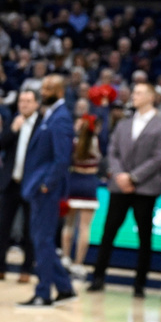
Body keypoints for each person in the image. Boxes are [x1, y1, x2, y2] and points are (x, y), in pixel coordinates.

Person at [88, 83, 161, 297]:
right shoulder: (124, 124)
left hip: (145, 188)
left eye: (139, 92)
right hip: (119, 186)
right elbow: (113, 151)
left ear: (151, 97)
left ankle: (140, 284)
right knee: (108, 233)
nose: (133, 95)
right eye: (134, 92)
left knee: (144, 238)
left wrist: (133, 177)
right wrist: (120, 175)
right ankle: (98, 277)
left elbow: (159, 157)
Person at [18, 74, 76, 306]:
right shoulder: (50, 115)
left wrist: (46, 185)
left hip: (47, 190)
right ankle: (64, 288)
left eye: (49, 88)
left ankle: (43, 293)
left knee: (43, 241)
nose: (44, 91)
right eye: (43, 87)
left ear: (60, 91)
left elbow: (62, 159)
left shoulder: (61, 118)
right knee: (41, 240)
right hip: (40, 188)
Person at [0, 89, 38, 283]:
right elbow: (0, 145)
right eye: (22, 100)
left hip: (31, 184)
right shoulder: (15, 121)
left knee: (30, 229)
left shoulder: (42, 124)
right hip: (10, 183)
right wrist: (13, 130)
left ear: (36, 104)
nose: (24, 104)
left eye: (28, 101)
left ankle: (26, 270)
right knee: (2, 227)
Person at [62, 97, 101, 280]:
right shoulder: (96, 142)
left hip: (73, 182)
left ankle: (65, 258)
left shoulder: (74, 141)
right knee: (85, 227)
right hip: (89, 183)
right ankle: (78, 264)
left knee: (68, 225)